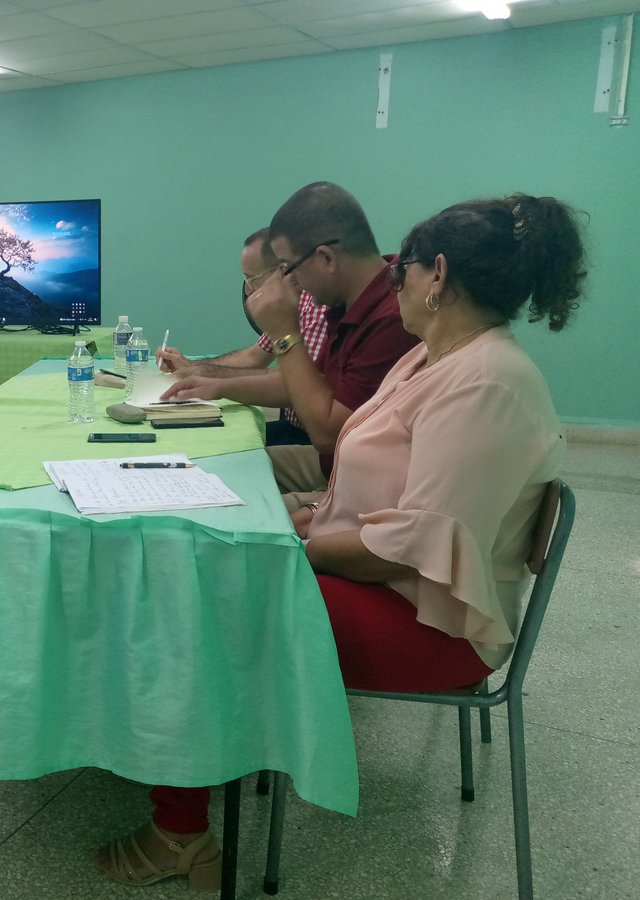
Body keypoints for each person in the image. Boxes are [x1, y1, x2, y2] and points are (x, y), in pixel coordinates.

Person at [95, 193, 586, 891]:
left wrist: (306, 548)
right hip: (394, 585)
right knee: (206, 563)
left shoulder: (487, 383)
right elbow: (377, 489)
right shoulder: (433, 359)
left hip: (433, 623)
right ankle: (184, 782)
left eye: (404, 270)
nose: (396, 283)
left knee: (200, 603)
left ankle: (180, 835)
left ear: (437, 275)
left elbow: (406, 546)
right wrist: (314, 521)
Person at [163, 183, 419, 506]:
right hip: (337, 467)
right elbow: (309, 385)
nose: (289, 280)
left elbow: (326, 435)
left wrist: (285, 332)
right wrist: (217, 387)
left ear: (326, 258)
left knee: (230, 505)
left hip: (359, 484)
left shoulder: (391, 317)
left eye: (288, 268)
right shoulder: (351, 300)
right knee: (213, 464)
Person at [156, 228, 328, 446]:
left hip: (310, 437)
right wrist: (193, 366)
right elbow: (254, 356)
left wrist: (213, 381)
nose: (248, 289)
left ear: (283, 271)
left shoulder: (315, 308)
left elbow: (292, 385)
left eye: (251, 279)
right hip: (296, 427)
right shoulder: (290, 307)